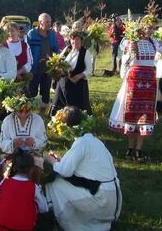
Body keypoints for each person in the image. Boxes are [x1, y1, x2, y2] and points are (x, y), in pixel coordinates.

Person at [44, 106, 122, 231]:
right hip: (114, 196)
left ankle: (67, 223)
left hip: (103, 200)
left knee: (54, 183)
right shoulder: (94, 140)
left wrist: (49, 159)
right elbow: (80, 166)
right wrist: (61, 160)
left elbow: (64, 171)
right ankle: (92, 222)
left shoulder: (81, 143)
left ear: (65, 128)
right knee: (65, 182)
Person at [109, 15, 161, 161]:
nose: (150, 30)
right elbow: (124, 61)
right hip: (134, 81)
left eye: (153, 27)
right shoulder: (131, 40)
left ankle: (138, 149)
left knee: (145, 114)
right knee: (131, 112)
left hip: (149, 81)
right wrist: (129, 51)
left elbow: (159, 58)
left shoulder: (155, 42)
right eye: (148, 27)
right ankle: (130, 148)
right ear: (142, 26)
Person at [0, 149, 48, 231]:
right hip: (24, 228)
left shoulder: (4, 182)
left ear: (15, 167)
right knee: (37, 202)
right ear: (32, 169)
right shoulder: (33, 186)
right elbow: (44, 208)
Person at [50, 31, 93, 116]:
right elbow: (59, 61)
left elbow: (89, 70)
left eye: (77, 39)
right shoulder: (67, 49)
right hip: (63, 83)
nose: (74, 42)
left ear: (81, 40)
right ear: (70, 40)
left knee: (77, 106)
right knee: (59, 103)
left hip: (77, 84)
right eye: (72, 39)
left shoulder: (85, 52)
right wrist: (58, 68)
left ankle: (75, 120)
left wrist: (79, 76)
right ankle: (59, 119)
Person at [0, 95, 47, 164]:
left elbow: (44, 141)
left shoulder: (38, 120)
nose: (23, 115)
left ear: (31, 109)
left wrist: (34, 143)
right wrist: (12, 144)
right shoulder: (8, 120)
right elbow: (2, 143)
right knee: (9, 171)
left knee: (34, 168)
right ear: (14, 109)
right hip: (13, 155)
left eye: (27, 111)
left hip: (33, 155)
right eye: (20, 111)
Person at [27, 13, 59, 113]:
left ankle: (42, 112)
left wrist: (58, 56)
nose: (50, 24)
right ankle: (28, 112)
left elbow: (55, 48)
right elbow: (27, 50)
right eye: (47, 22)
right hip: (34, 69)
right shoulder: (32, 34)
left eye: (50, 22)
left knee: (45, 92)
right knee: (31, 92)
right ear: (40, 22)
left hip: (47, 69)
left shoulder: (52, 34)